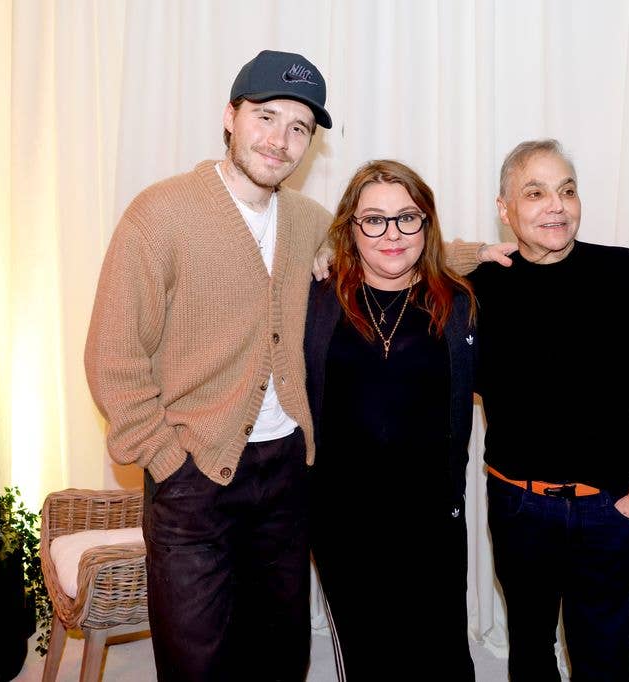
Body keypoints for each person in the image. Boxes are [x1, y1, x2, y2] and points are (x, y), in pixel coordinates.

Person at [84, 49, 515, 680]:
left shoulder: (309, 221)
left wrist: (478, 252)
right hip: (193, 477)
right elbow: (112, 357)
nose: (280, 140)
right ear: (230, 116)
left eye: (299, 128)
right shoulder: (161, 215)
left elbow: (387, 242)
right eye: (266, 117)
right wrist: (167, 460)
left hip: (288, 475)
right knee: (197, 660)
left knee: (282, 654)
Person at [469, 139, 629, 681]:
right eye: (535, 193)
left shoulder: (624, 272)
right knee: (530, 653)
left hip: (610, 508)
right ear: (505, 209)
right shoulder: (478, 287)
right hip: (518, 506)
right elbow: (398, 266)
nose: (556, 206)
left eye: (567, 190)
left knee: (603, 659)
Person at [305, 160, 479, 681]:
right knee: (369, 659)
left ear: (426, 224)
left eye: (407, 218)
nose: (391, 234)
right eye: (373, 220)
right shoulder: (315, 300)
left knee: (443, 658)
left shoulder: (461, 305)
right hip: (343, 522)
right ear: (350, 229)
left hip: (431, 521)